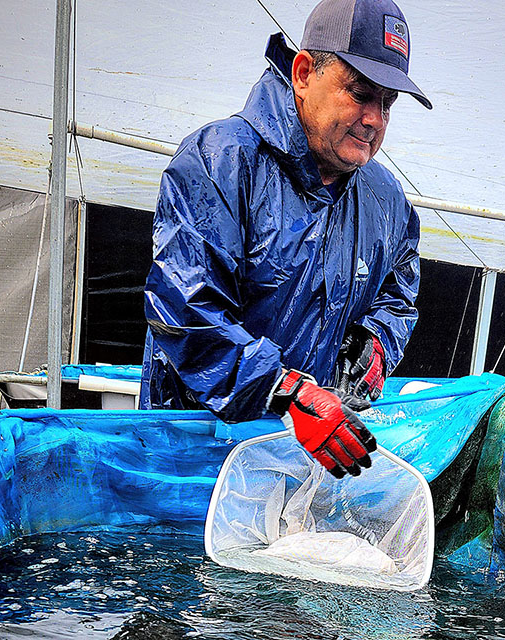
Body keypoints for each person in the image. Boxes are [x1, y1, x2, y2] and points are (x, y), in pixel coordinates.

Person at [139, 0, 432, 479]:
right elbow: (186, 310)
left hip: (305, 465)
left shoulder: (387, 202)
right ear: (302, 73)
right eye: (360, 92)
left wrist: (375, 345)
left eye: (388, 102)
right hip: (193, 460)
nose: (375, 118)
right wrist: (287, 390)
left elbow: (398, 296)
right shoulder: (221, 161)